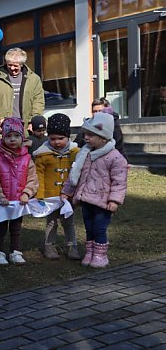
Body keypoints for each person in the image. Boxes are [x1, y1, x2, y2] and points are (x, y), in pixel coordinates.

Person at [62, 112, 127, 268]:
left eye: (91, 135)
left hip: (103, 201)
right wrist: (67, 191)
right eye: (85, 134)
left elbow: (119, 181)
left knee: (99, 228)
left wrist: (114, 200)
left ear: (103, 138)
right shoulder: (84, 153)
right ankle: (90, 252)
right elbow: (75, 173)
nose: (86, 138)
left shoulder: (115, 157)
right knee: (89, 227)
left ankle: (100, 255)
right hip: (86, 199)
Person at [0, 117, 39, 266]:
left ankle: (15, 251)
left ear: (22, 138)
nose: (12, 139)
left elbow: (32, 178)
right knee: (1, 228)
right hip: (2, 202)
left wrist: (27, 193)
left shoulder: (27, 158)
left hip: (18, 201)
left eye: (16, 136)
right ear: (3, 137)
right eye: (8, 136)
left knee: (16, 227)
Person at [33, 114, 79, 260]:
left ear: (68, 137)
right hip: (50, 196)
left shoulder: (75, 153)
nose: (57, 142)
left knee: (68, 222)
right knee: (51, 222)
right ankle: (49, 247)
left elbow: (79, 173)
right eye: (52, 139)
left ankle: (72, 247)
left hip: (68, 196)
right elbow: (39, 175)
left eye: (61, 138)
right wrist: (40, 194)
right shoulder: (42, 155)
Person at [0, 48, 44, 125]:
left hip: (26, 125)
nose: (12, 68)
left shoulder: (34, 79)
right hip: (3, 125)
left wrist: (33, 122)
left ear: (21, 64)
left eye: (15, 65)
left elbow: (38, 102)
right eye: (9, 65)